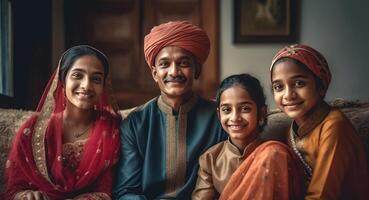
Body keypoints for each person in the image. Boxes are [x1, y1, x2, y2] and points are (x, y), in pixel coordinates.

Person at [113, 21, 226, 199]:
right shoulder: (134, 124)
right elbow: (126, 191)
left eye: (183, 63)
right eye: (165, 64)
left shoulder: (220, 118)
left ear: (197, 70)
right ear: (154, 73)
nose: (174, 71)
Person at [3, 45, 121, 200]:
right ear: (62, 81)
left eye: (96, 79)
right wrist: (26, 195)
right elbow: (13, 188)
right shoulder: (33, 130)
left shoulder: (112, 129)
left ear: (103, 86)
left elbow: (109, 190)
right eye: (78, 75)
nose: (86, 85)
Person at [270, 44, 369, 199]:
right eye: (278, 87)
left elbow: (322, 195)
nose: (288, 95)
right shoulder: (292, 129)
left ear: (321, 87)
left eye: (299, 83)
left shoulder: (335, 127)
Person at [192, 74, 304, 200]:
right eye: (227, 110)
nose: (235, 118)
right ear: (219, 114)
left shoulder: (274, 155)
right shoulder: (210, 159)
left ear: (262, 113)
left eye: (245, 109)